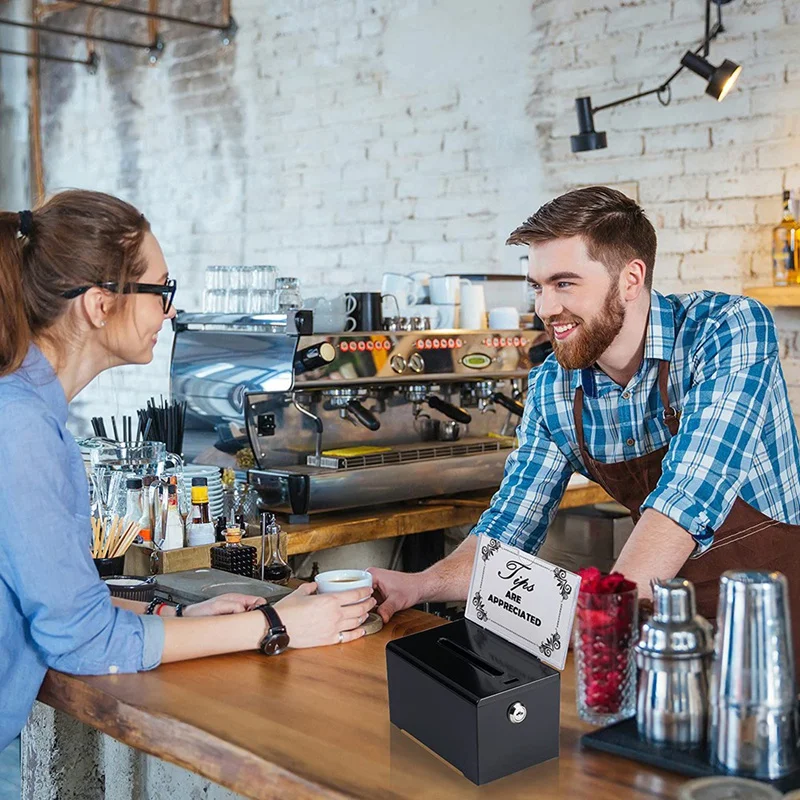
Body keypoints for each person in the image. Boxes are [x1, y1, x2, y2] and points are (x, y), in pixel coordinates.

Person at [0, 190, 374, 751]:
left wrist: (181, 611)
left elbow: (58, 598)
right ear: (100, 304)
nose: (170, 310)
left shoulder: (29, 411)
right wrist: (277, 627)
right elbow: (82, 641)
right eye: (161, 290)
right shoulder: (21, 427)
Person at [370, 186, 800, 644]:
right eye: (537, 286)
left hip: (780, 611)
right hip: (670, 615)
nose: (544, 308)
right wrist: (418, 585)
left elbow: (688, 495)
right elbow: (508, 529)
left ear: (631, 279)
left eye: (565, 283)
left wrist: (599, 614)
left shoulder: (726, 329)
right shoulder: (553, 387)